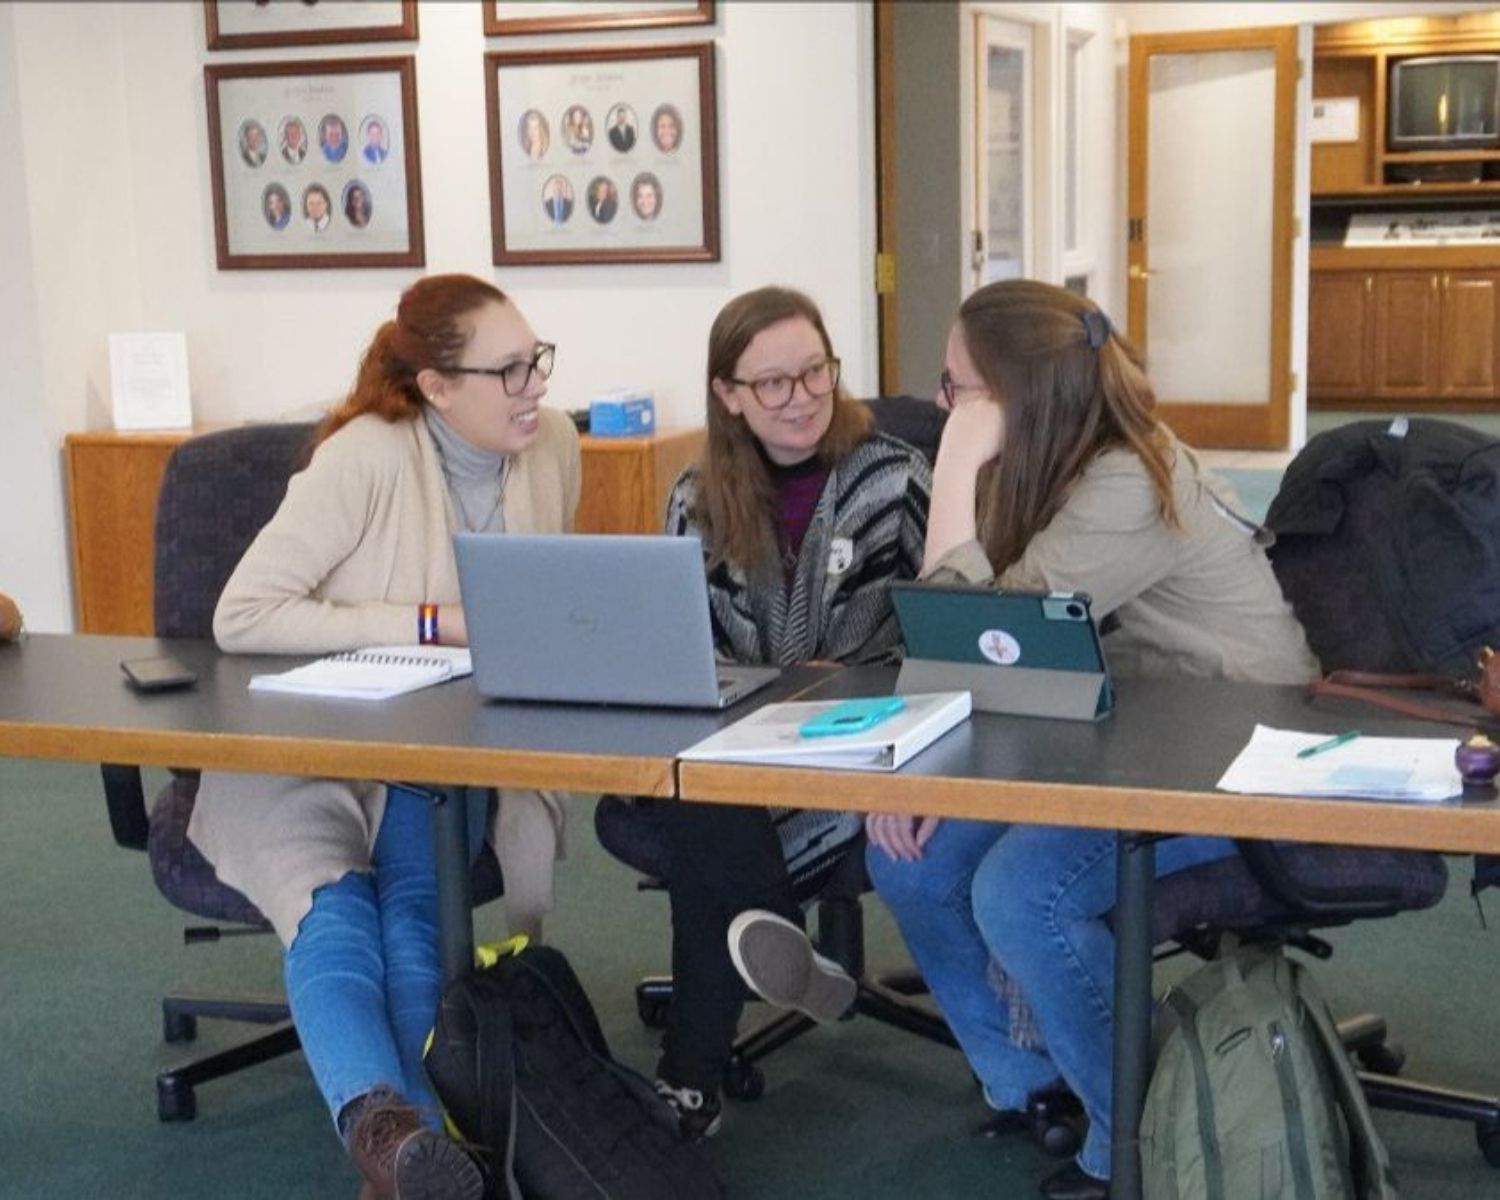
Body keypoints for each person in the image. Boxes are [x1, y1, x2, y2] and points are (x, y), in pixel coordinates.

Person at [727, 280, 1319, 1200]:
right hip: (1127, 733)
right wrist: (922, 773)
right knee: (913, 866)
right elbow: (998, 658)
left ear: (1015, 395)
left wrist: (957, 462)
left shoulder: (1127, 477)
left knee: (1021, 894)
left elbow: (977, 631)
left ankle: (1136, 1136)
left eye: (958, 388)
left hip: (1234, 753)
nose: (941, 404)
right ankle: (1034, 1083)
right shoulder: (1052, 462)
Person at [191, 274, 581, 1199]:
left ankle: (401, 1157)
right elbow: (241, 615)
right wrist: (425, 624)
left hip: (444, 753)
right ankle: (394, 1134)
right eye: (510, 370)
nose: (535, 386)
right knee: (333, 909)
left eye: (538, 362)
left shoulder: (554, 445)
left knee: (414, 916)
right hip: (311, 748)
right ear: (438, 387)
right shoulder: (365, 455)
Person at [641, 286, 932, 1142]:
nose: (802, 396)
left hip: (866, 732)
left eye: (815, 372)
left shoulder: (895, 477)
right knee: (686, 788)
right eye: (772, 383)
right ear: (728, 393)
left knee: (698, 822)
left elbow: (947, 623)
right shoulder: (695, 498)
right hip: (735, 732)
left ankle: (689, 1083)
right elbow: (679, 644)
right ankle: (788, 952)